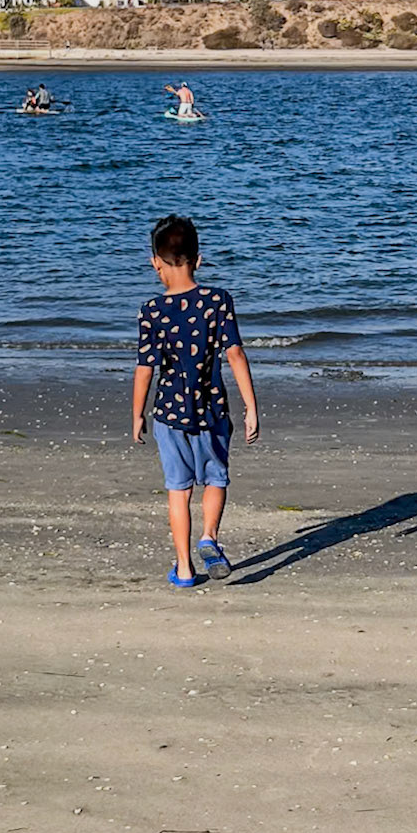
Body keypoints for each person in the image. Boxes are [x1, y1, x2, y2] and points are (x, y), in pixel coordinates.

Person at [133, 214, 259, 587]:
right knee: (216, 477)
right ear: (199, 259)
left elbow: (145, 368)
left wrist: (137, 414)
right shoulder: (218, 301)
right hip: (213, 410)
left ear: (155, 262)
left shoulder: (152, 311)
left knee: (178, 488)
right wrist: (251, 406)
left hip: (169, 415)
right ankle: (209, 538)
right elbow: (235, 353)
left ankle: (185, 569)